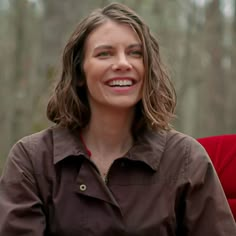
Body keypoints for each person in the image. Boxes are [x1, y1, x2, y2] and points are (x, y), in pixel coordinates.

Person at [0, 2, 235, 236]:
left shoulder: (186, 159)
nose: (123, 63)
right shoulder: (31, 159)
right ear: (80, 72)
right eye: (104, 53)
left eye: (135, 53)